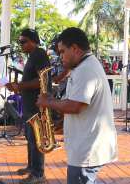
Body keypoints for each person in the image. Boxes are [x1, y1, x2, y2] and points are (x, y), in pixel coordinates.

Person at [36, 27, 117, 184]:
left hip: (87, 150)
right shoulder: (84, 66)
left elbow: (74, 106)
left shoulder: (85, 70)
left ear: (75, 49)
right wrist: (59, 124)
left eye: (62, 52)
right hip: (87, 147)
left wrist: (48, 102)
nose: (60, 57)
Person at [5, 28, 49, 184]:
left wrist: (20, 86)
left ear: (33, 41)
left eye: (23, 41)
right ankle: (32, 167)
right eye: (20, 42)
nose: (21, 45)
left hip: (36, 105)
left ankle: (39, 174)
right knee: (30, 138)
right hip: (29, 104)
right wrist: (18, 86)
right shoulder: (32, 56)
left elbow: (42, 81)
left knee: (36, 140)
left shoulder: (39, 54)